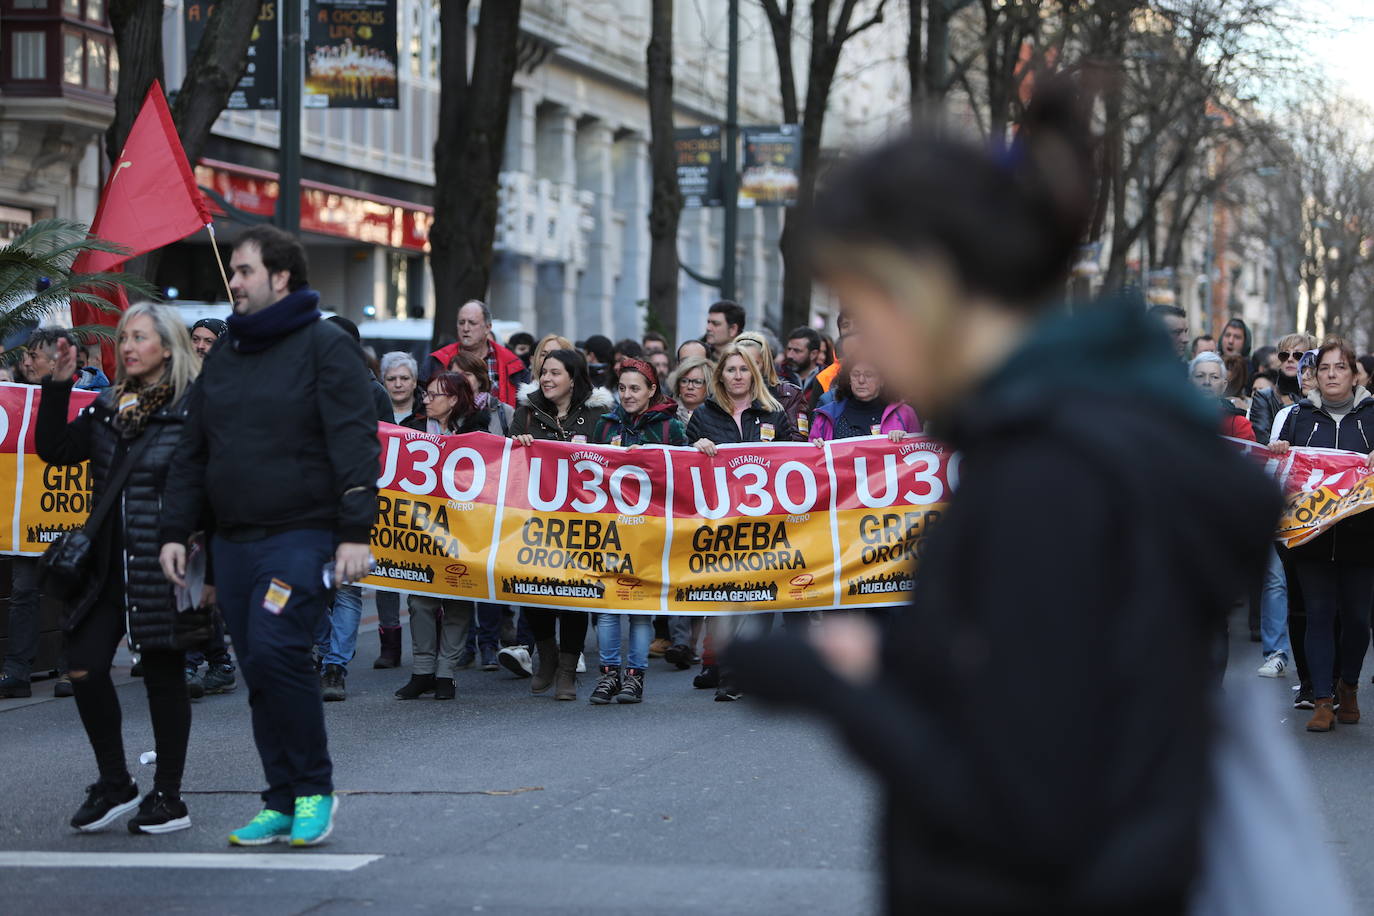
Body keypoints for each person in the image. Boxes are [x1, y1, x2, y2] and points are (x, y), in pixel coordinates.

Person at [725, 85, 1279, 914]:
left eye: (864, 304)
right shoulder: (1075, 442)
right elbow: (1048, 696)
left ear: (928, 283)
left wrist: (827, 687)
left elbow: (1024, 806)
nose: (860, 341)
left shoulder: (1044, 475)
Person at [159, 225, 379, 847]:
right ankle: (278, 799)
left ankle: (314, 790)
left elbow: (355, 442)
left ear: (281, 278)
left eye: (246, 270)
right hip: (233, 543)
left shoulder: (325, 346)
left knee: (281, 649)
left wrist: (354, 531)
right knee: (259, 665)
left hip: (301, 537)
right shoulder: (225, 354)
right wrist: (179, 529)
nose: (234, 280)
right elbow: (195, 452)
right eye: (232, 270)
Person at [36, 303, 202, 834]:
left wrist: (211, 566)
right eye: (123, 337)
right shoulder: (107, 407)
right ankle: (115, 783)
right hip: (106, 565)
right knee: (83, 664)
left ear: (168, 349)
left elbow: (212, 491)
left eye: (140, 337)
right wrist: (57, 386)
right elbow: (55, 452)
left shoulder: (193, 410)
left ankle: (168, 797)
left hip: (166, 564)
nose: (128, 347)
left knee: (162, 675)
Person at [1271, 338, 1374, 732]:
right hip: (1310, 538)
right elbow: (1281, 473)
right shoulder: (1298, 417)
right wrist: (1281, 452)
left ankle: (1348, 684)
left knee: (1356, 620)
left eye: (1340, 368)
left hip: (1362, 536)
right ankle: (1323, 700)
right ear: (1316, 374)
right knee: (1317, 614)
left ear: (1353, 374)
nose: (1332, 375)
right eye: (1326, 368)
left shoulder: (1371, 415)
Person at [686, 346, 795, 701]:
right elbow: (682, 466)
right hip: (720, 523)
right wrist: (695, 447)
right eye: (730, 369)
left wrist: (815, 448)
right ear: (720, 376)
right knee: (727, 597)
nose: (736, 375)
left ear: (754, 375)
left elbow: (796, 457)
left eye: (743, 369)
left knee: (759, 597)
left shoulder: (774, 414)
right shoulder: (704, 415)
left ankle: (742, 671)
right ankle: (730, 669)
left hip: (764, 523)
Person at [510, 349, 613, 701]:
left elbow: (611, 463)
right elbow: (508, 461)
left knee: (575, 593)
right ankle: (547, 657)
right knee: (533, 589)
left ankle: (568, 669)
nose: (547, 379)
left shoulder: (599, 414)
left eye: (555, 373)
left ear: (573, 377)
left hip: (582, 522)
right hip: (535, 520)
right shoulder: (526, 412)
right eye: (543, 373)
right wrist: (518, 445)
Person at [588, 358, 689, 704]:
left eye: (635, 388)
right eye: (622, 388)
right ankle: (608, 676)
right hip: (610, 530)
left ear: (651, 391)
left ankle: (635, 677)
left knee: (640, 608)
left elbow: (686, 476)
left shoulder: (669, 427)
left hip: (649, 531)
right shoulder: (604, 425)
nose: (628, 395)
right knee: (606, 608)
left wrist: (700, 450)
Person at [390, 373, 485, 701]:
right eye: (426, 394)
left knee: (458, 601)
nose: (426, 400)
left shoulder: (478, 432)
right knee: (420, 601)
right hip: (423, 530)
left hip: (464, 531)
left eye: (434, 395)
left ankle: (445, 673)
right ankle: (422, 671)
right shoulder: (413, 431)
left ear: (455, 399)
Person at [181, 318, 238, 700]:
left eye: (209, 341)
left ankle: (193, 660)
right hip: (182, 500)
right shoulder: (177, 384)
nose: (201, 346)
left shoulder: (231, 388)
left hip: (217, 503)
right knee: (189, 581)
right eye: (196, 340)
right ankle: (216, 660)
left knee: (199, 583)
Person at [424, 300, 529, 406]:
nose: (465, 328)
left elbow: (523, 408)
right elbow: (421, 399)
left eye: (472, 323)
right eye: (461, 323)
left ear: (488, 328)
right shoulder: (437, 361)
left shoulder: (512, 363)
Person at [809, 357, 920, 443]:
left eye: (869, 375)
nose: (861, 380)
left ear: (882, 380)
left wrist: (907, 440)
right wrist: (816, 448)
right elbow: (812, 461)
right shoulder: (827, 416)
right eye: (856, 375)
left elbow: (920, 455)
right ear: (848, 379)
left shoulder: (905, 414)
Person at [735, 331, 809, 440]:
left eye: (754, 363)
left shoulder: (788, 396)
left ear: (765, 364)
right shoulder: (718, 399)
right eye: (742, 364)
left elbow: (798, 445)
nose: (748, 369)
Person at [1249, 333, 1317, 443]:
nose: (1290, 359)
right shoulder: (1264, 396)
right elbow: (1262, 441)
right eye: (1284, 355)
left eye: (1298, 355)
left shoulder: (1318, 397)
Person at [1189, 352, 1255, 441]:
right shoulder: (1174, 420)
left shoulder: (1238, 425)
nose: (1207, 382)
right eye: (1200, 376)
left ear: (1224, 386)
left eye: (1214, 377)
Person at [669, 356, 712, 427]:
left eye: (697, 382)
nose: (690, 387)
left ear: (708, 385)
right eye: (684, 381)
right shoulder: (667, 414)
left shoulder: (717, 416)